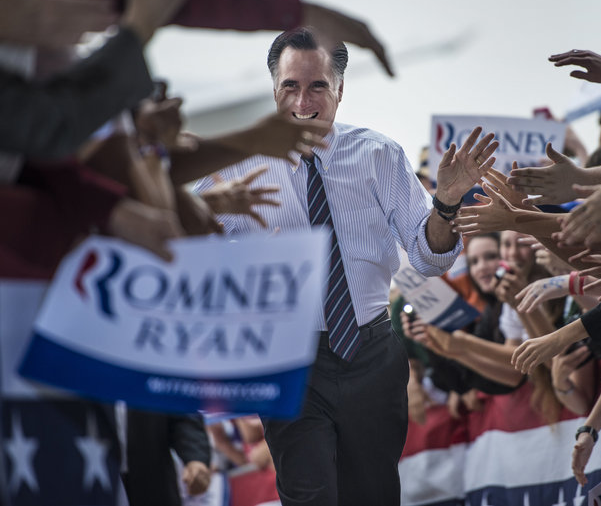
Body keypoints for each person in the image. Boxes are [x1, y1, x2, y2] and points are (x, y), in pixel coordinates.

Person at [196, 27, 496, 506]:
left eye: (317, 86)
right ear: (274, 89)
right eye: (290, 86)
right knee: (309, 495)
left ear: (340, 90)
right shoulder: (234, 167)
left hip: (372, 354)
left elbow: (427, 256)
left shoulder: (378, 154)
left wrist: (445, 205)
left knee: (372, 495)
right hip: (289, 358)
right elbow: (184, 250)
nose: (303, 101)